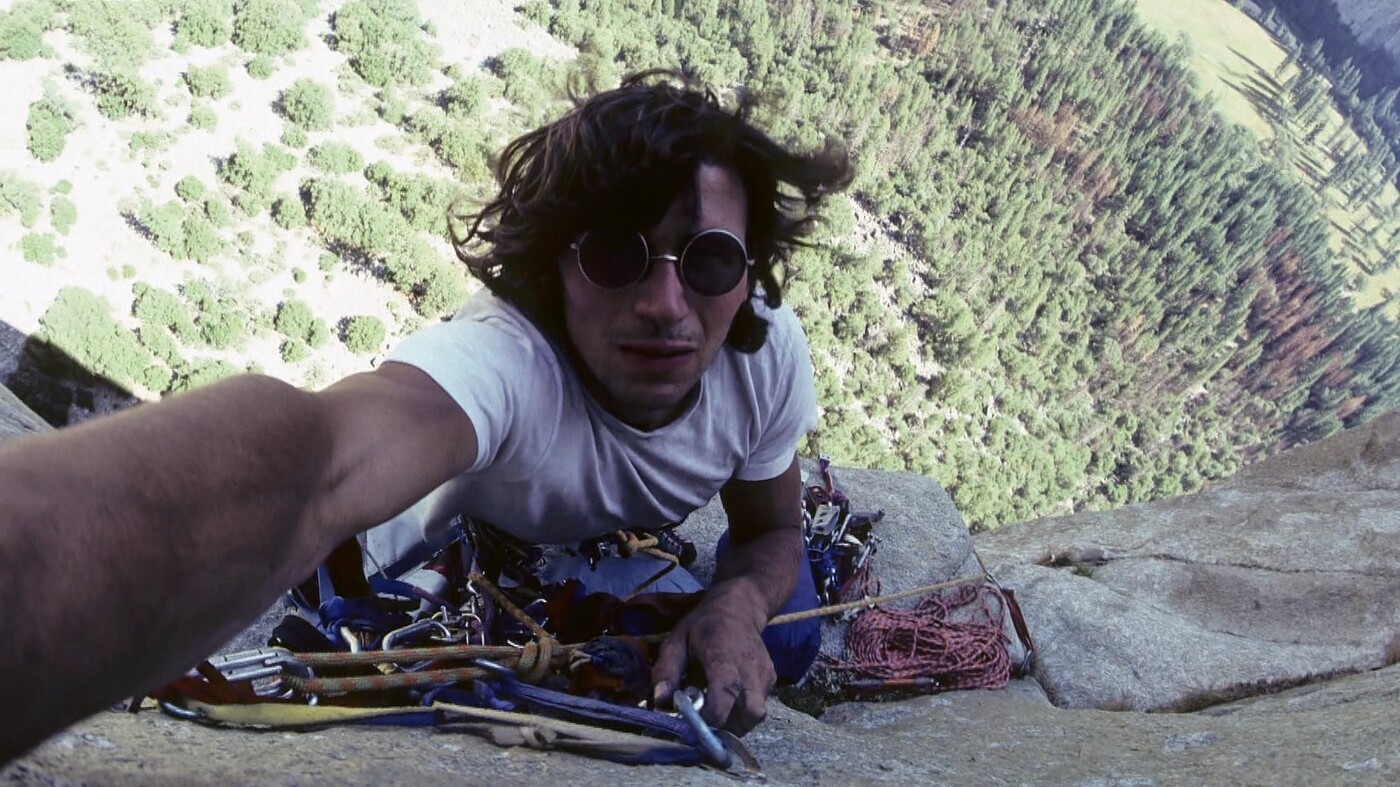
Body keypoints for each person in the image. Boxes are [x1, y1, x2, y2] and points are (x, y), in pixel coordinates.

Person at [0, 70, 851, 763]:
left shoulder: (764, 352)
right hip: (487, 536)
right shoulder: (506, 363)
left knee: (779, 642)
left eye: (708, 261)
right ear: (556, 263)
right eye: (614, 253)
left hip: (606, 537)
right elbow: (317, 465)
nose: (665, 304)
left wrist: (740, 603)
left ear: (749, 273)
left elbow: (771, 529)